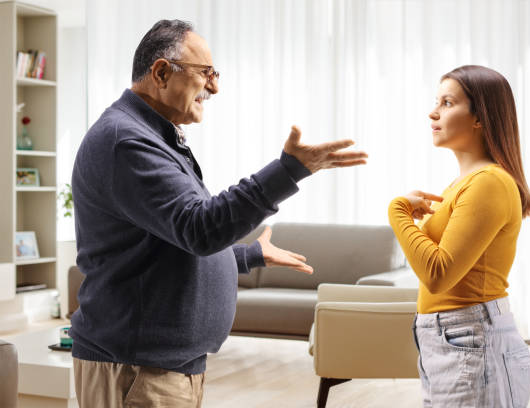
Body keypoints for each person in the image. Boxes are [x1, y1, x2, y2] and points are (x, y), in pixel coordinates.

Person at [70, 19, 367, 407]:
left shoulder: (151, 137)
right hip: (136, 368)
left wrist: (247, 256)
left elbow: (170, 238)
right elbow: (199, 227)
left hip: (162, 367)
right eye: (205, 73)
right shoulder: (126, 142)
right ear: (161, 72)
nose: (214, 86)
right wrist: (289, 170)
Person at [388, 65, 530, 407]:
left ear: (479, 118)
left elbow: (438, 273)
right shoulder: (461, 185)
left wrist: (398, 212)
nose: (433, 111)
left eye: (447, 102)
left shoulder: (488, 182)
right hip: (452, 340)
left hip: (470, 339)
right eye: (436, 101)